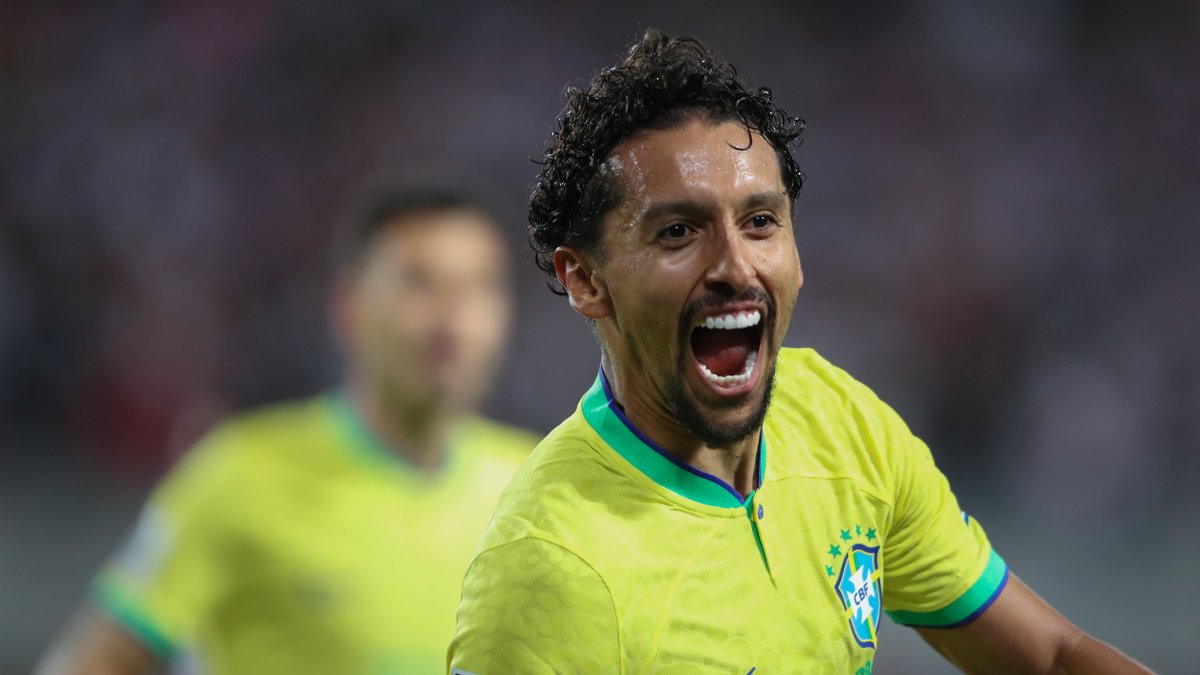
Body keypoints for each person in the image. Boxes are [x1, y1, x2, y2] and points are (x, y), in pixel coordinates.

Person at [448, 30, 1150, 674]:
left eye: (760, 221)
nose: (736, 266)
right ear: (586, 280)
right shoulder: (549, 568)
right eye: (678, 232)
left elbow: (1053, 658)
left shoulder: (839, 423)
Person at [38, 189, 537, 675]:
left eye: (479, 287)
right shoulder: (237, 474)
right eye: (419, 284)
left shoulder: (534, 486)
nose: (452, 319)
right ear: (350, 308)